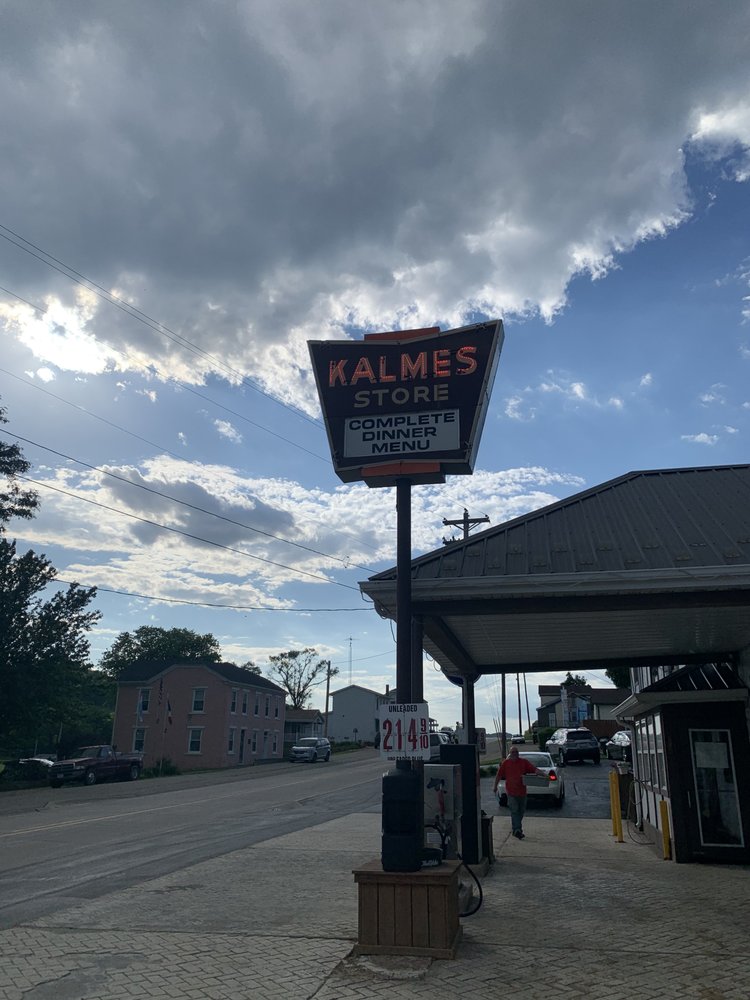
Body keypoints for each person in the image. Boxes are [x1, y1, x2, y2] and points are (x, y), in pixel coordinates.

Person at [492, 746, 544, 840]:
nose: (515, 754)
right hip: (511, 792)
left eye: (516, 752)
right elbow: (499, 775)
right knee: (514, 810)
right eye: (513, 752)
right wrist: (495, 786)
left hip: (522, 792)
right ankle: (517, 830)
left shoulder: (524, 762)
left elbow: (534, 769)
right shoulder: (506, 763)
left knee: (521, 811)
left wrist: (544, 775)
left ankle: (516, 828)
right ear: (510, 754)